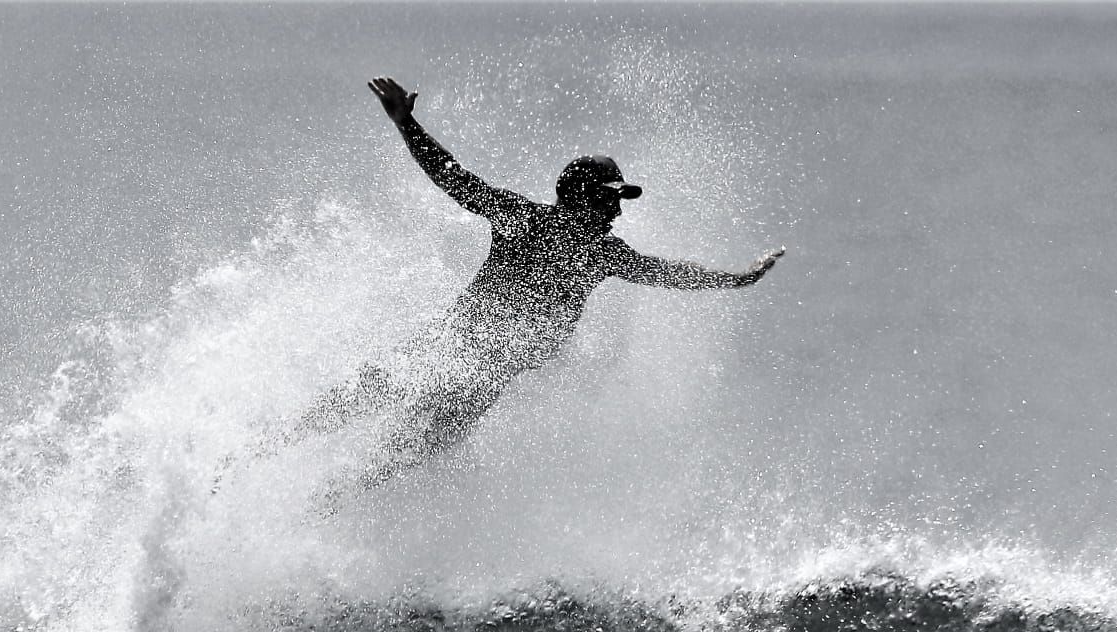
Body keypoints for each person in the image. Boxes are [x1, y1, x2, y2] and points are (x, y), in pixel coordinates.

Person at [227, 76, 784, 501]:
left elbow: (669, 273)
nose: (618, 207)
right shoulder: (532, 222)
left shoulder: (602, 251)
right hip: (456, 348)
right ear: (586, 197)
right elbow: (451, 175)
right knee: (366, 401)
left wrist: (736, 280)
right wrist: (405, 124)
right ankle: (250, 462)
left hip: (483, 378)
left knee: (392, 451)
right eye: (611, 197)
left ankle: (301, 503)